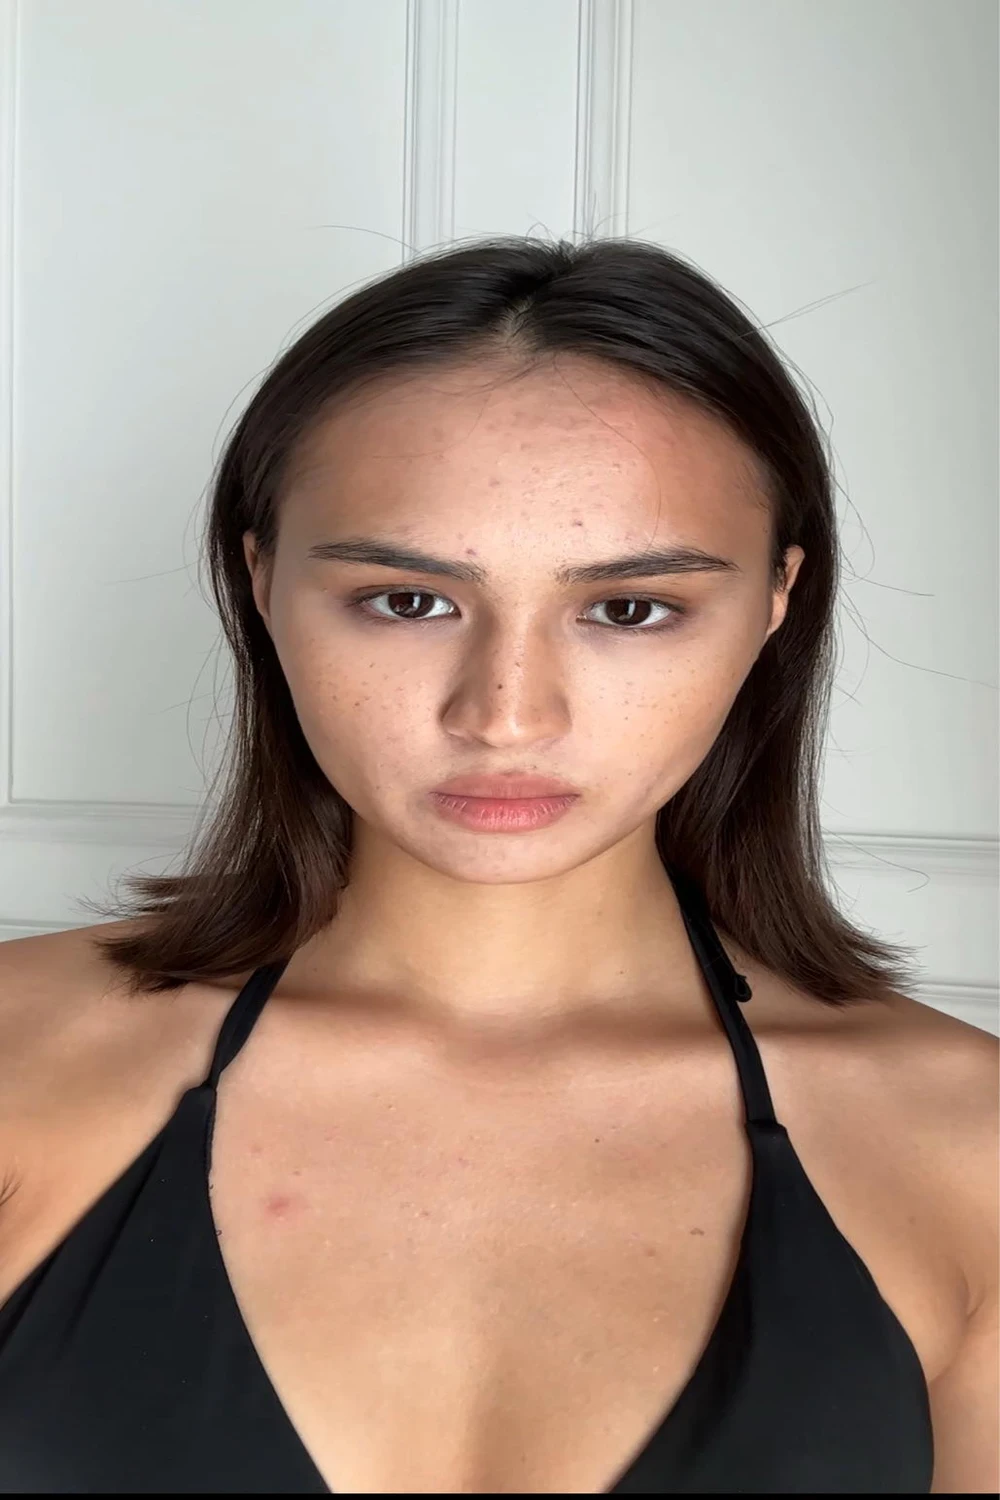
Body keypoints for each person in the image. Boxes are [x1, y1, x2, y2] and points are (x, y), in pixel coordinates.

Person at [0, 236, 995, 1495]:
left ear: (774, 600)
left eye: (629, 609)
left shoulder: (969, 1148)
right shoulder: (17, 1065)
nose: (507, 714)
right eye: (406, 601)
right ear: (260, 581)